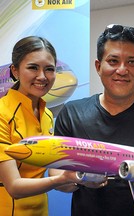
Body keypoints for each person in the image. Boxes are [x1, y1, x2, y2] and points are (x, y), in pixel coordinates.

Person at [52, 24, 134, 216]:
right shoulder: (72, 114)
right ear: (98, 66)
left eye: (131, 62)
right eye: (113, 61)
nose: (122, 70)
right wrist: (81, 177)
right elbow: (57, 177)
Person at [0, 36, 82, 216]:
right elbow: (14, 187)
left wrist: (82, 178)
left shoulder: (46, 115)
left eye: (49, 69)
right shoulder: (2, 113)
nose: (42, 77)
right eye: (32, 68)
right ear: (15, 71)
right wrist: (59, 180)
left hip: (40, 210)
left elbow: (55, 173)